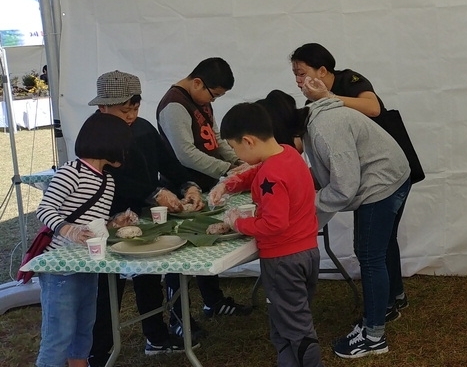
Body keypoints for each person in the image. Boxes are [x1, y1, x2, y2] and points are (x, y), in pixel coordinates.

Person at [272, 79, 411, 359]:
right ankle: (386, 307)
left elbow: (343, 188)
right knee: (375, 252)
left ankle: (374, 337)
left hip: (382, 183)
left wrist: (304, 206)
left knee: (370, 256)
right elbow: (330, 171)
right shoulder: (313, 122)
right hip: (389, 174)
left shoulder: (324, 129)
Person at [292, 42, 420, 321]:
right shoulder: (314, 104)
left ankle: (378, 319)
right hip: (375, 173)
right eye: (295, 75)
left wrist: (329, 97)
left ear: (323, 70)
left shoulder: (348, 81)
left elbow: (373, 108)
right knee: (379, 244)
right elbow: (302, 144)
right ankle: (393, 297)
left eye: (301, 73)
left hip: (383, 174)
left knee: (371, 250)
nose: (298, 80)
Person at [86, 71, 206, 366]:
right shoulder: (94, 136)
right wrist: (153, 192)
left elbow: (167, 161)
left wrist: (188, 185)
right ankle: (98, 354)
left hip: (144, 217)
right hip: (108, 220)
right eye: (124, 110)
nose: (131, 115)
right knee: (107, 290)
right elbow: (110, 180)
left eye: (135, 108)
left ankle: (156, 336)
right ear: (102, 107)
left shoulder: (142, 128)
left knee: (148, 277)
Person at [211, 102, 323, 367]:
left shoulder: (270, 173)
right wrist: (230, 183)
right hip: (307, 252)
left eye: (235, 148)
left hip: (283, 260)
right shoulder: (287, 153)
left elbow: (274, 224)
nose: (236, 154)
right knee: (288, 319)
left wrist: (238, 222)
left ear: (248, 141)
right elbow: (256, 172)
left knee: (295, 328)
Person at [155, 57, 251, 333]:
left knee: (206, 240)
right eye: (215, 94)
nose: (214, 101)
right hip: (182, 188)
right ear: (197, 82)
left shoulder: (200, 99)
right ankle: (178, 318)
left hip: (207, 185)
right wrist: (226, 169)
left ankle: (213, 300)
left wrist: (237, 163)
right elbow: (185, 153)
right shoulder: (174, 105)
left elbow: (216, 138)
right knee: (176, 252)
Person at [34, 113, 132, 367]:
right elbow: (45, 209)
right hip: (59, 268)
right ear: (108, 143)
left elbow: (94, 222)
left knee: (84, 329)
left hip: (88, 265)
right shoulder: (71, 172)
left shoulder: (107, 180)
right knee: (58, 335)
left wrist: (114, 222)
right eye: (123, 145)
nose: (125, 152)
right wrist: (68, 229)